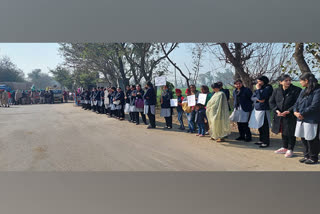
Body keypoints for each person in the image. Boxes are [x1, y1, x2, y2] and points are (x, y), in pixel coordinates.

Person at [269, 74, 301, 158]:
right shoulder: (276, 90)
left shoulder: (296, 90)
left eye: (289, 80)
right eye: (286, 80)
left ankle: (290, 149)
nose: (288, 82)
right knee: (283, 131)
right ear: (280, 82)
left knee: (290, 132)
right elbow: (271, 102)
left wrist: (289, 111)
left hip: (290, 115)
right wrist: (276, 110)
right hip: (279, 115)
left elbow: (297, 103)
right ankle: (284, 147)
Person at [294, 73, 320, 164]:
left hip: (311, 118)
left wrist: (302, 113)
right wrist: (295, 111)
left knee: (312, 138)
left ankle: (313, 157)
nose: (300, 82)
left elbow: (315, 105)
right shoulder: (303, 91)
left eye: (301, 80)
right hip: (301, 118)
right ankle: (306, 155)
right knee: (303, 137)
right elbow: (297, 103)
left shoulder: (317, 90)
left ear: (306, 81)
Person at [249, 76, 273, 148]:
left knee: (264, 126)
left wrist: (258, 90)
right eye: (258, 81)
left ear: (264, 81)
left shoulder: (268, 88)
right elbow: (252, 97)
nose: (258, 83)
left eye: (260, 81)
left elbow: (261, 97)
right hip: (257, 109)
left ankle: (266, 142)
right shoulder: (259, 88)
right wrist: (257, 99)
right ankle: (261, 140)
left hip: (264, 109)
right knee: (259, 125)